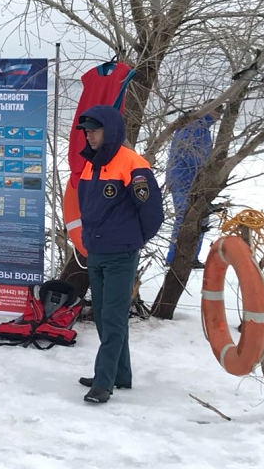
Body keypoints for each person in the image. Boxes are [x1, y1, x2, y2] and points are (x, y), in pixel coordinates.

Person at [74, 105, 163, 404]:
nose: (89, 136)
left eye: (94, 130)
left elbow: (151, 213)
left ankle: (103, 382)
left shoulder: (133, 164)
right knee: (102, 315)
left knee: (112, 318)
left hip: (120, 253)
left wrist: (132, 240)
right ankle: (119, 374)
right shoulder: (92, 163)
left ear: (109, 131)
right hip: (96, 250)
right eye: (87, 131)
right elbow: (86, 205)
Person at [165, 110, 219, 269]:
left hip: (194, 180)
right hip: (183, 180)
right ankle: (174, 257)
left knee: (200, 216)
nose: (219, 117)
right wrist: (207, 167)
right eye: (218, 113)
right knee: (184, 217)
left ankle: (191, 256)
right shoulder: (192, 126)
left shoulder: (203, 127)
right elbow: (188, 154)